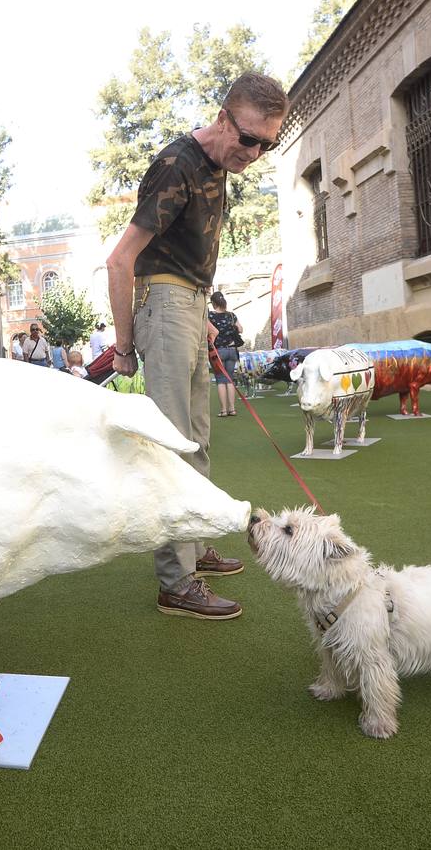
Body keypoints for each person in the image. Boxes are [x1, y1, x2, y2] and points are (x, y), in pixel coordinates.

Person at [107, 72, 288, 620]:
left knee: (199, 442)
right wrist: (122, 346)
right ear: (223, 117)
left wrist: (202, 314)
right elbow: (121, 260)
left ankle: (194, 542)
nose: (254, 154)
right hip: (164, 313)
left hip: (188, 308)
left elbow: (180, 257)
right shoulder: (176, 165)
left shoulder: (218, 165)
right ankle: (175, 581)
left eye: (268, 145)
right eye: (249, 138)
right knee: (171, 447)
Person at [207, 291, 245, 417]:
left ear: (213, 303)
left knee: (220, 380)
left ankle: (223, 410)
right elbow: (240, 329)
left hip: (218, 351)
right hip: (232, 351)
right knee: (230, 379)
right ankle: (232, 409)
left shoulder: (210, 316)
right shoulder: (231, 315)